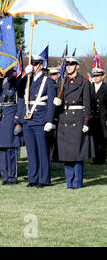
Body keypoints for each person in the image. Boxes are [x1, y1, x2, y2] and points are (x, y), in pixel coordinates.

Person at [54, 57, 93, 189]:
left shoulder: (84, 83)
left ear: (77, 66)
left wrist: (86, 122)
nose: (69, 67)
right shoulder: (63, 82)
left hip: (77, 120)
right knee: (66, 153)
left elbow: (88, 105)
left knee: (77, 153)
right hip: (64, 119)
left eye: (71, 64)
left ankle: (77, 182)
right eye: (67, 65)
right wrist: (57, 104)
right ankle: (69, 182)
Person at [21, 55, 56, 188]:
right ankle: (33, 178)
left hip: (41, 119)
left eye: (35, 64)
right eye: (32, 64)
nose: (33, 66)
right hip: (28, 120)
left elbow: (51, 103)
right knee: (31, 152)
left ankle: (44, 179)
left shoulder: (47, 81)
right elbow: (18, 90)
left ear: (41, 65)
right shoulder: (28, 79)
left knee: (42, 151)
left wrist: (49, 120)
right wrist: (25, 74)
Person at [0, 68, 24, 185]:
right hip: (0, 115)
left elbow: (20, 102)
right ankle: (4, 176)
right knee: (1, 148)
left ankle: (11, 176)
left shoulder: (17, 82)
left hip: (11, 115)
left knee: (10, 148)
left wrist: (18, 119)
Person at [90, 67, 106, 165]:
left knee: (103, 139)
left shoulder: (105, 87)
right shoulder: (91, 87)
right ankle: (95, 160)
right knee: (94, 139)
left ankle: (102, 160)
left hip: (103, 117)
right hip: (93, 117)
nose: (96, 77)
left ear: (102, 76)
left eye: (98, 76)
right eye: (94, 76)